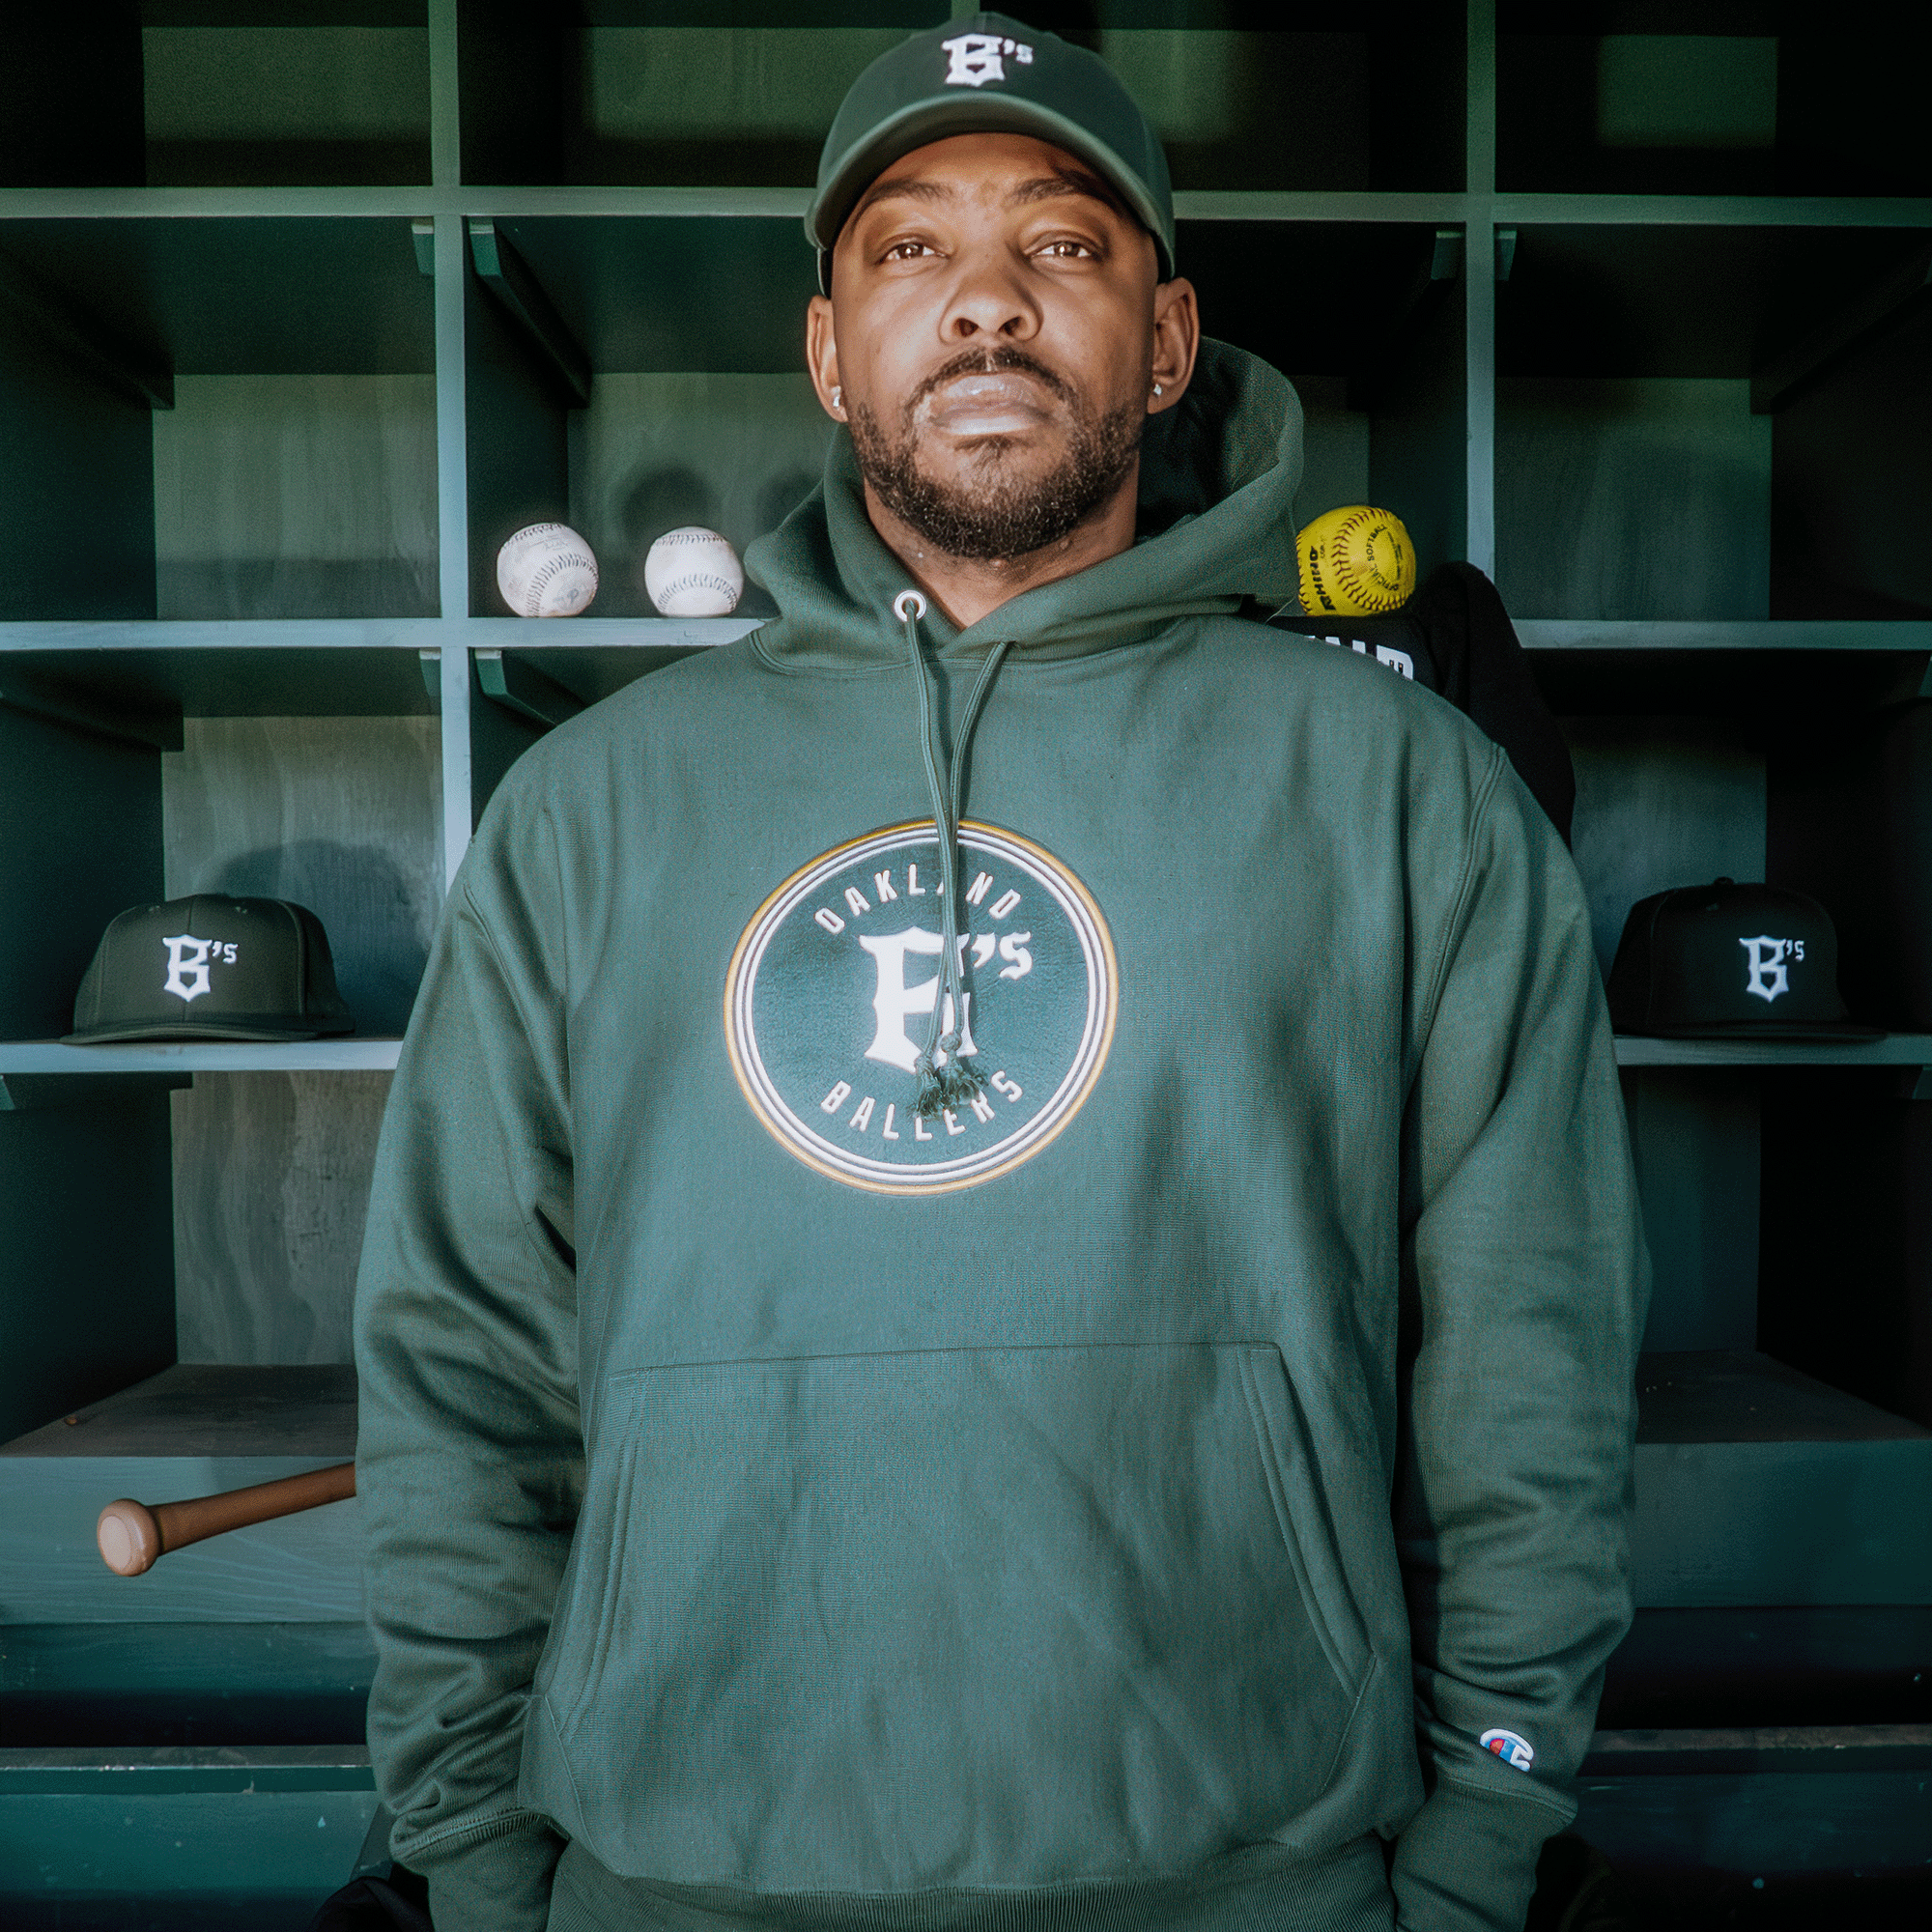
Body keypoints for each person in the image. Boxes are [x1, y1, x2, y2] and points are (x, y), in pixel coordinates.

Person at [354, 15, 1648, 1932]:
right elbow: (460, 1367)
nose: (982, 307)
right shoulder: (587, 812)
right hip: (676, 1874)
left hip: (1269, 1877)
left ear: (1172, 334)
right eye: (907, 252)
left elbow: (1528, 1370)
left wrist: (1479, 1849)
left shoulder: (1405, 792)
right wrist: (474, 1856)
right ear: (826, 350)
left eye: (1062, 247)